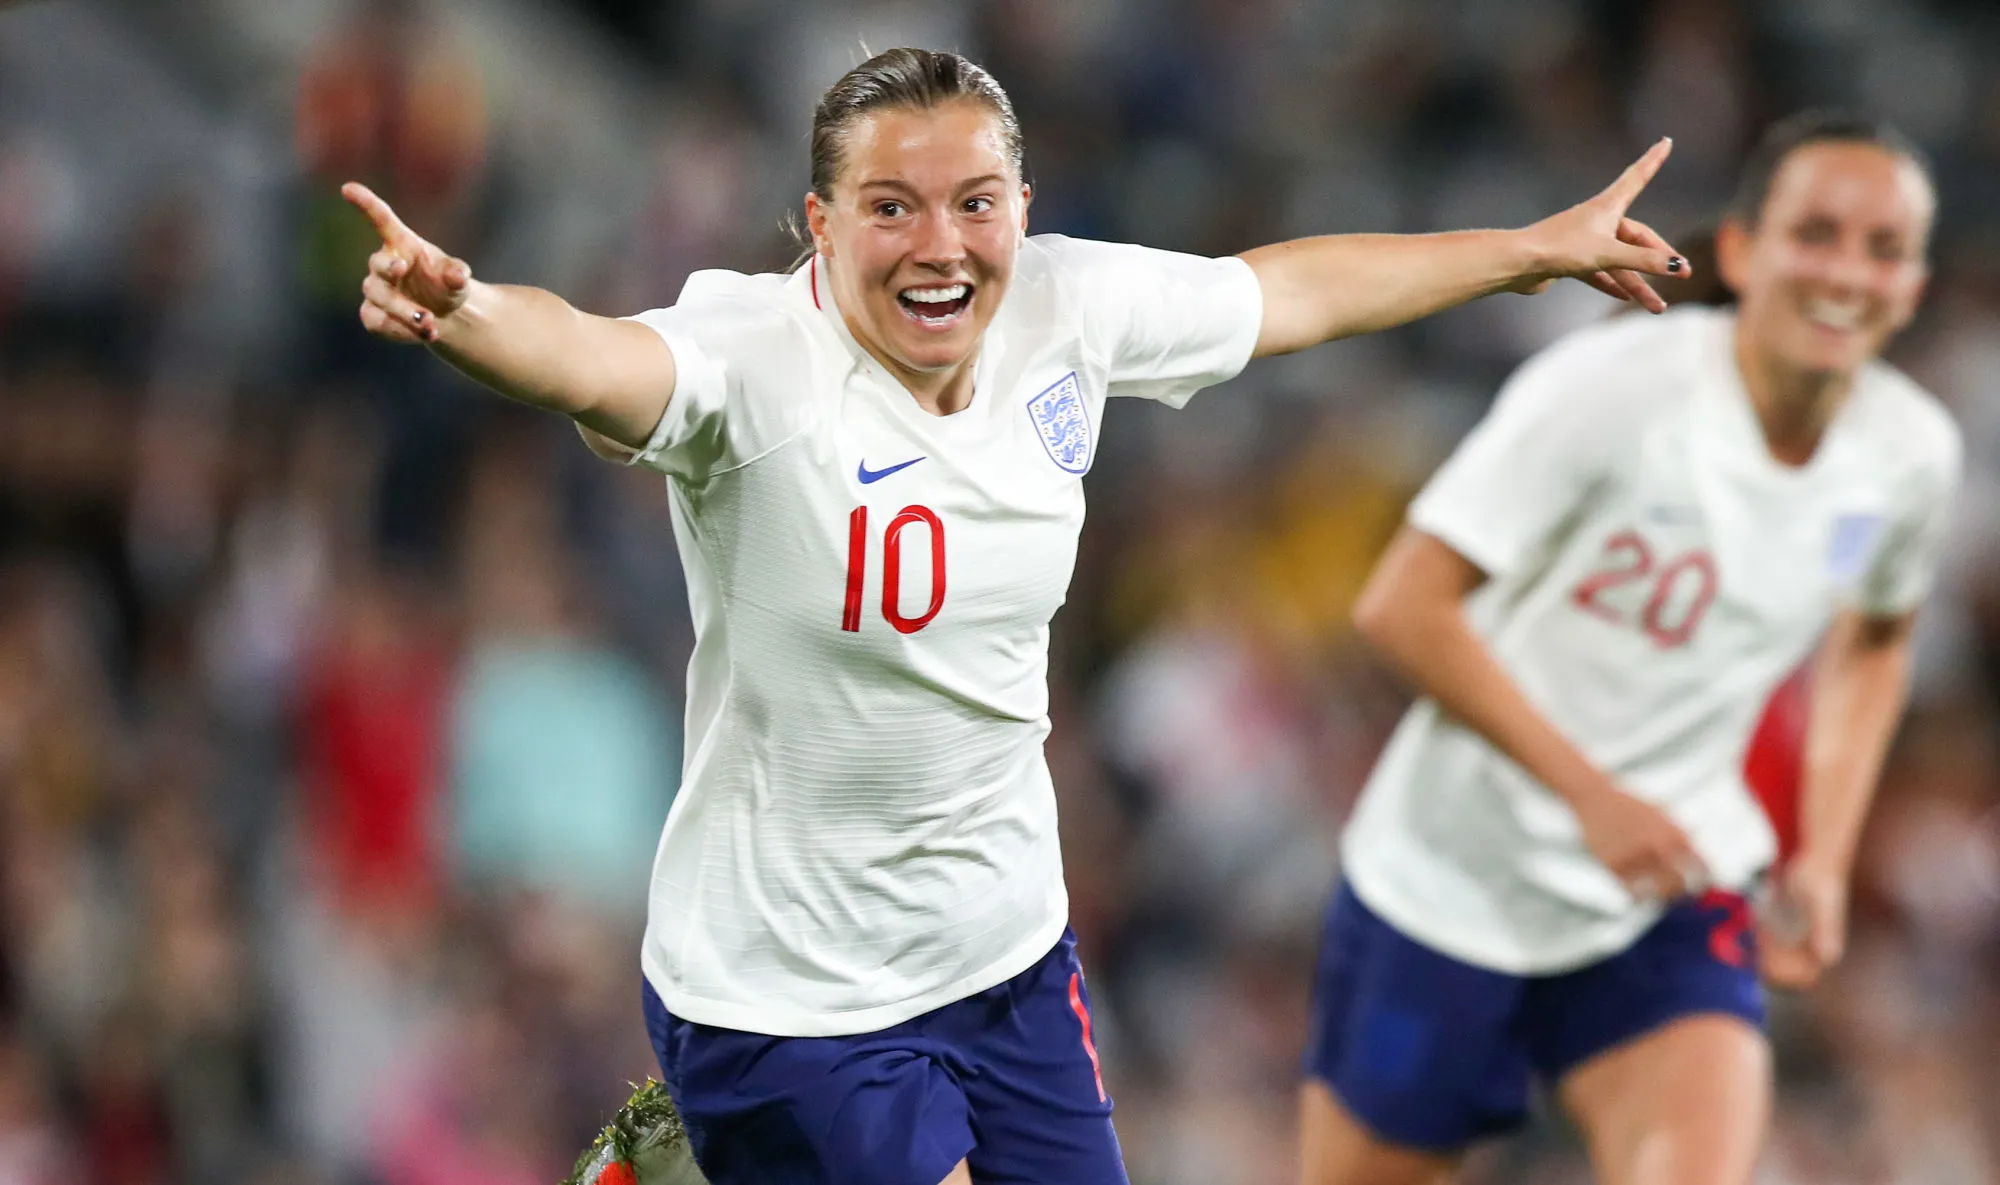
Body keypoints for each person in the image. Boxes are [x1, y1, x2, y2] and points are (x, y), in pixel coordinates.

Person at [345, 46, 1688, 1185]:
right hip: (789, 995)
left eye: (974, 203)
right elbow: (596, 354)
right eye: (891, 207)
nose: (939, 245)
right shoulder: (759, 364)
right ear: (818, 225)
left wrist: (1524, 254)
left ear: (1023, 207)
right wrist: (468, 318)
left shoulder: (1067, 307)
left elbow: (1289, 293)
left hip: (1003, 955)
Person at [1300, 112, 1959, 1185]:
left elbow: (1875, 638)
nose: (1846, 271)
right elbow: (1401, 606)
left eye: (1882, 248)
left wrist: (1822, 857)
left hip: (1670, 887)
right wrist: (1589, 795)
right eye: (1816, 233)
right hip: (1446, 882)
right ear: (1741, 250)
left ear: (1914, 284)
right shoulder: (1615, 391)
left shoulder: (1906, 455)